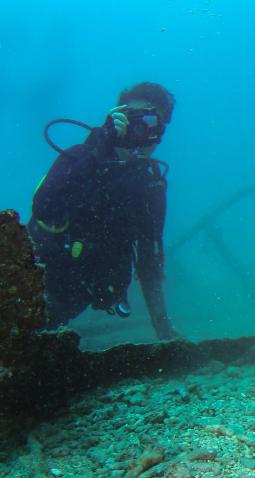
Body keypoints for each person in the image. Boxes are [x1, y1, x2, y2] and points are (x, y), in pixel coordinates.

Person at [28, 82, 179, 340]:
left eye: (153, 123)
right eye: (134, 119)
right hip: (33, 277)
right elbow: (44, 207)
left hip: (74, 296)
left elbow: (148, 261)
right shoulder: (79, 157)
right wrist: (100, 150)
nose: (142, 130)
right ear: (116, 117)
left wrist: (163, 328)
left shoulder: (150, 188)